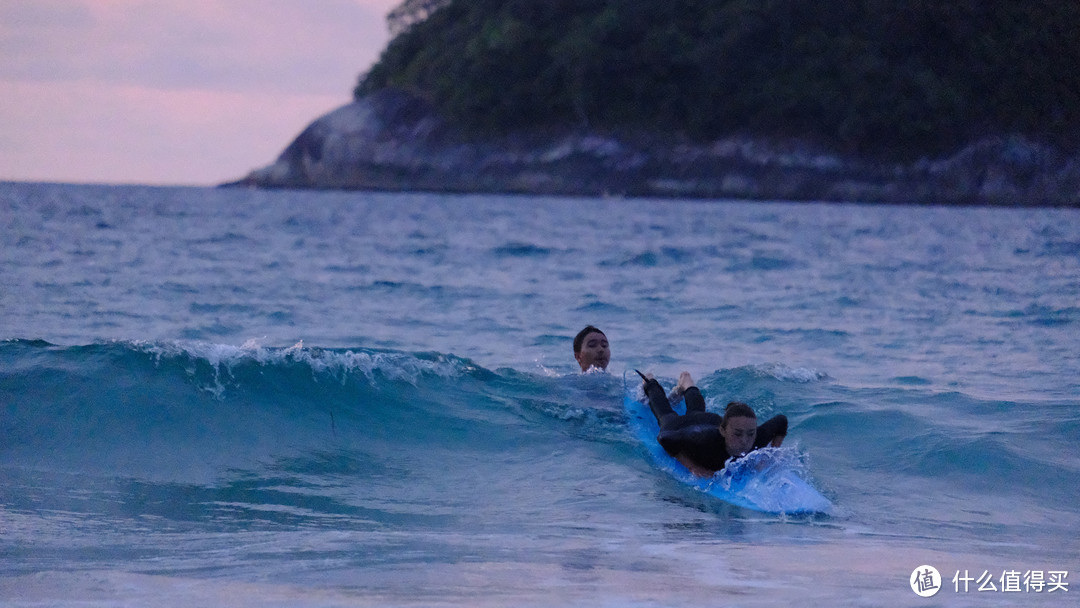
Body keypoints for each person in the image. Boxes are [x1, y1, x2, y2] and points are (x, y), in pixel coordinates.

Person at [640, 371, 787, 477]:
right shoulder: (703, 441)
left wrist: (771, 456)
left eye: (750, 434)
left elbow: (781, 421)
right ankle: (649, 381)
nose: (744, 441)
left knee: (697, 411)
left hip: (708, 420)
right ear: (723, 431)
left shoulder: (754, 439)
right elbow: (665, 438)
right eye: (737, 434)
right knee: (665, 413)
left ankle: (686, 381)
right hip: (679, 425)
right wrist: (693, 467)